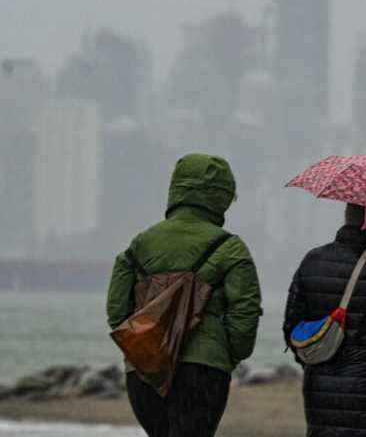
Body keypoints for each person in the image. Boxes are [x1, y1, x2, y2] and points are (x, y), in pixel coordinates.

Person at [106, 153, 262, 437]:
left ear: (175, 190)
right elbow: (246, 313)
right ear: (222, 197)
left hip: (144, 370)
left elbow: (117, 311)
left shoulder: (139, 245)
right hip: (204, 368)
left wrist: (142, 350)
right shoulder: (230, 248)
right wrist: (227, 354)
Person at [283, 203, 366, 437]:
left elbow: (292, 328)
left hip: (318, 385)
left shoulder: (312, 259)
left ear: (348, 218)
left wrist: (318, 358)